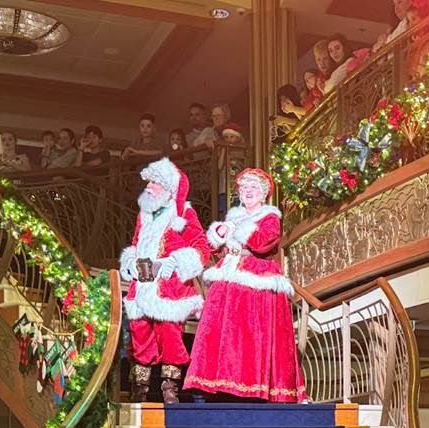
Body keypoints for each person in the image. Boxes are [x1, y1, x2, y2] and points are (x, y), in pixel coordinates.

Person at [184, 168, 306, 403]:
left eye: (253, 188)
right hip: (229, 271)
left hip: (256, 276)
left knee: (249, 331)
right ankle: (219, 382)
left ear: (263, 193)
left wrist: (238, 230)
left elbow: (264, 242)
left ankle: (250, 385)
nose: (248, 192)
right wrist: (219, 238)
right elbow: (215, 247)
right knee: (219, 327)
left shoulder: (269, 218)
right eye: (244, 188)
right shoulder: (234, 217)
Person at [119, 158, 211, 404]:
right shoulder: (144, 214)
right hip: (143, 283)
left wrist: (176, 261)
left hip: (169, 287)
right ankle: (139, 389)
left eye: (154, 182)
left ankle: (170, 388)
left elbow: (201, 248)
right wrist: (130, 261)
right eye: (148, 181)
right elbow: (136, 242)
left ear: (168, 188)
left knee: (170, 336)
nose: (148, 186)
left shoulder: (184, 213)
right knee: (140, 335)